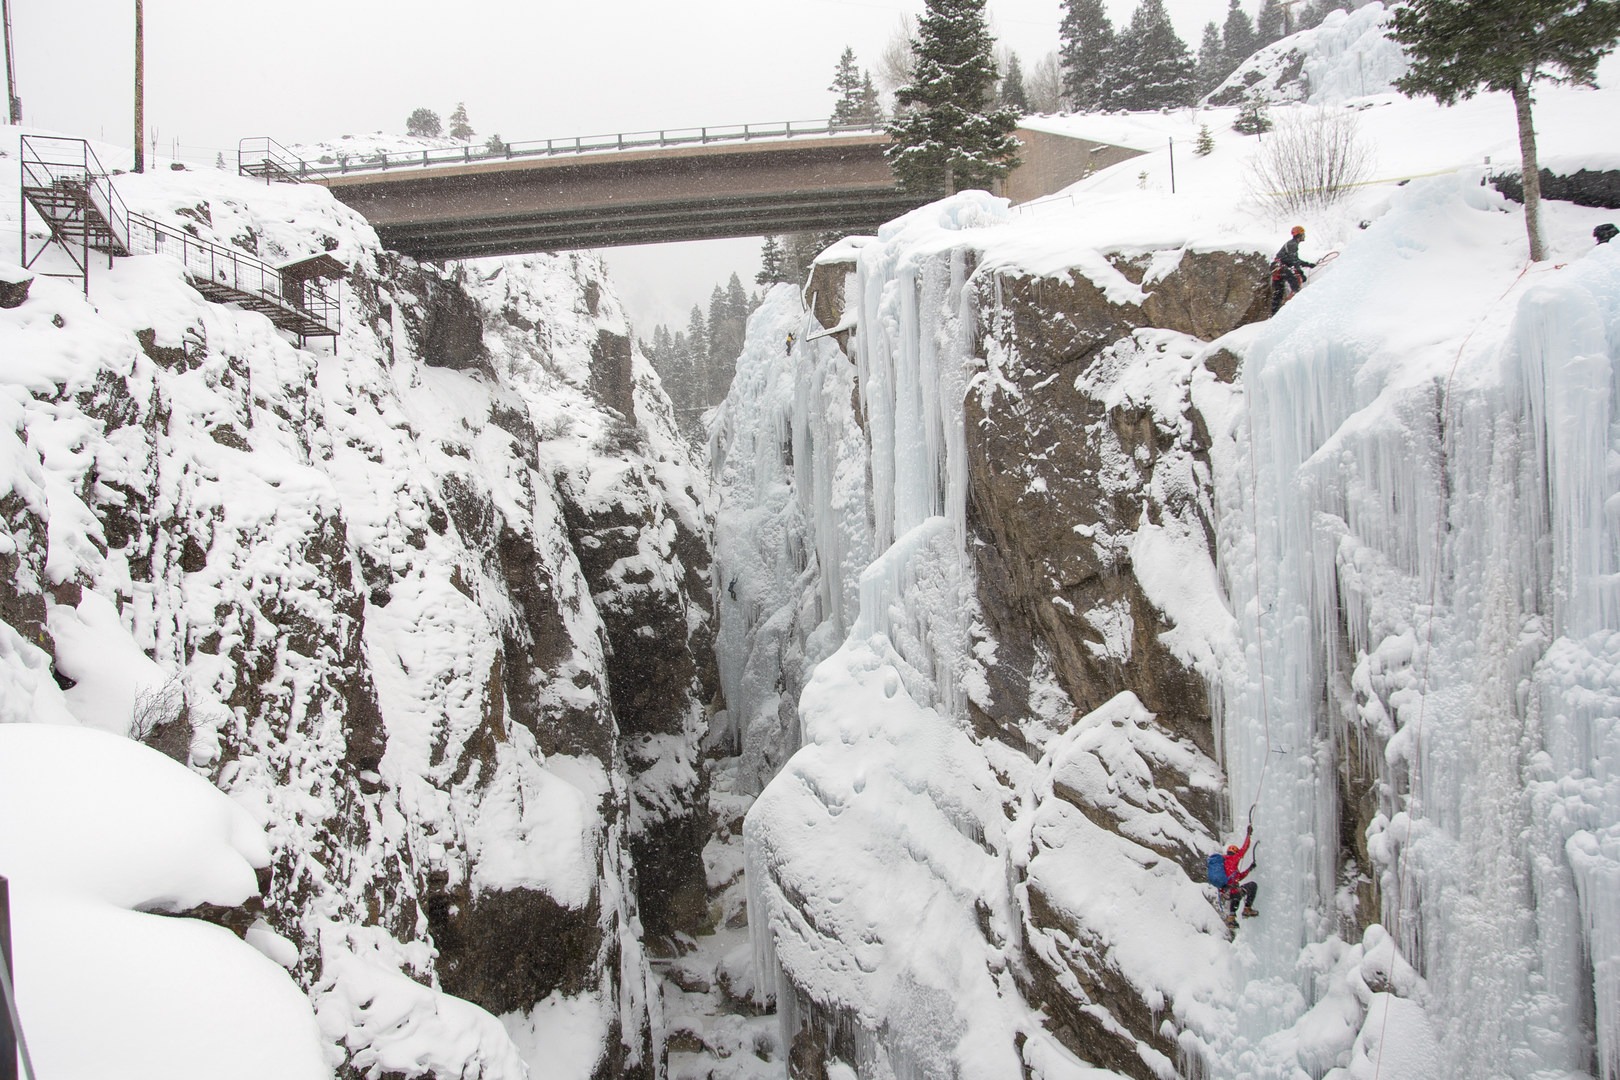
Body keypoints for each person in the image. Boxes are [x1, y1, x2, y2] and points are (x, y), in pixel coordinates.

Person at [1270, 225, 1316, 314]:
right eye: (1303, 234)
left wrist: (1308, 264)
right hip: (1281, 268)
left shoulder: (1291, 244)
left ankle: (1274, 313)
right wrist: (1301, 273)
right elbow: (1294, 261)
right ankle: (1296, 309)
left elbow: (1294, 260)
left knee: (1278, 293)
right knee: (1295, 286)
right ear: (1300, 235)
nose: (1304, 236)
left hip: (1277, 268)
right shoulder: (1293, 244)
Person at [1222, 826, 1259, 929]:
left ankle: (1231, 918)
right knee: (1252, 886)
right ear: (1234, 852)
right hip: (1233, 890)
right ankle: (1247, 909)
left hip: (1227, 891)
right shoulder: (1233, 859)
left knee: (1237, 895)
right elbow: (1244, 848)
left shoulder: (1225, 862)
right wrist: (1248, 835)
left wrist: (1249, 869)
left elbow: (1239, 877)